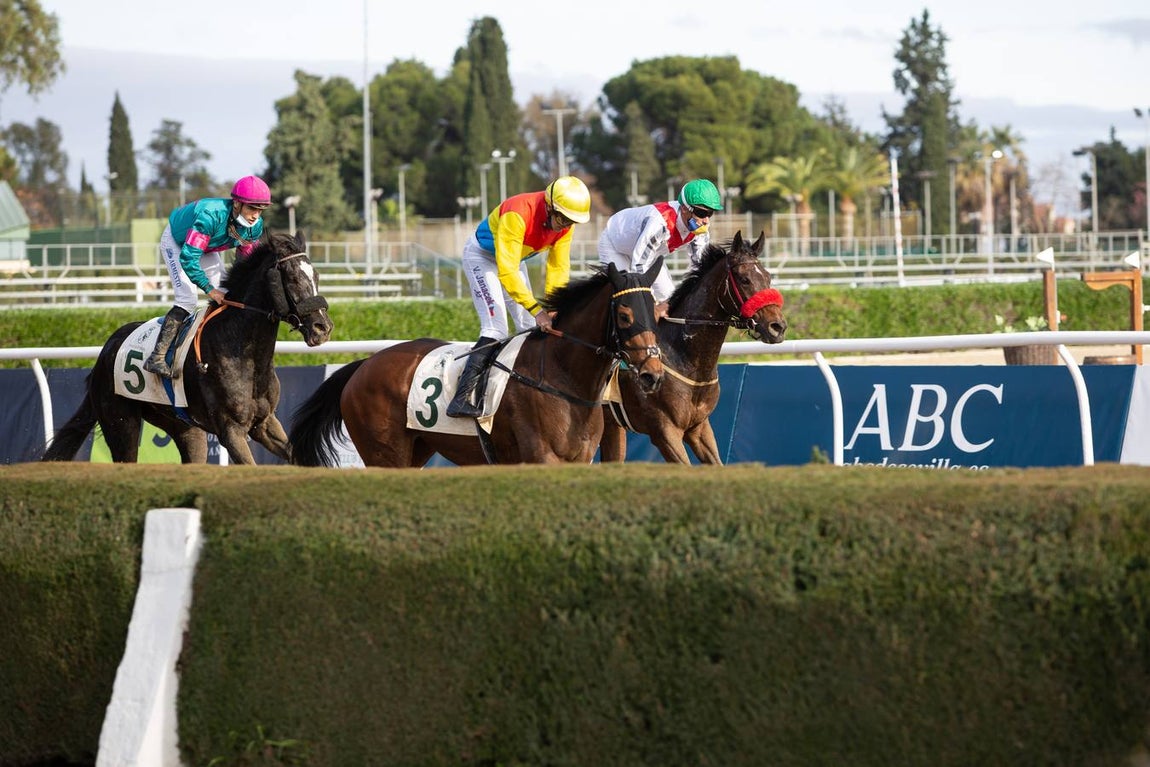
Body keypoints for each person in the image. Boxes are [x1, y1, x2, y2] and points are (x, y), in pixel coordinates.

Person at [446, 175, 592, 417]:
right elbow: (507, 271)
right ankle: (461, 398)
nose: (565, 225)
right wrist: (537, 310)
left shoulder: (565, 227)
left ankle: (523, 390)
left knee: (527, 328)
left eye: (571, 221)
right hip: (483, 258)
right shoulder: (518, 212)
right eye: (563, 218)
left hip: (515, 260)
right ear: (549, 206)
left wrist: (554, 307)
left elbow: (558, 268)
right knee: (496, 329)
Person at [143, 175, 272, 378]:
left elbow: (245, 263)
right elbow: (188, 258)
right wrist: (209, 289)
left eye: (260, 210)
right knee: (187, 299)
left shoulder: (254, 227)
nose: (255, 215)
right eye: (251, 208)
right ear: (237, 204)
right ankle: (157, 357)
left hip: (208, 246)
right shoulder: (211, 215)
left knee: (229, 294)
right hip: (178, 243)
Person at [598, 178, 722, 319]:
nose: (706, 220)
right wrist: (650, 303)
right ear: (684, 209)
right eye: (701, 213)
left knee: (670, 302)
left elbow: (700, 268)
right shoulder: (660, 224)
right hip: (614, 246)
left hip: (649, 255)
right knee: (630, 300)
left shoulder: (701, 230)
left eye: (710, 213)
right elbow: (638, 266)